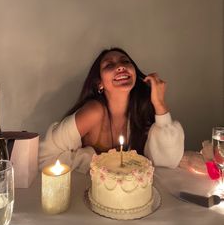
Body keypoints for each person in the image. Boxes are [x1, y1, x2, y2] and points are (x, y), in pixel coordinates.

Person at [39, 47, 184, 173]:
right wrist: (95, 162)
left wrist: (160, 105)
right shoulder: (94, 112)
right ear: (99, 83)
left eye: (125, 61)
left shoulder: (141, 112)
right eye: (109, 65)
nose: (120, 66)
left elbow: (167, 163)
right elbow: (44, 157)